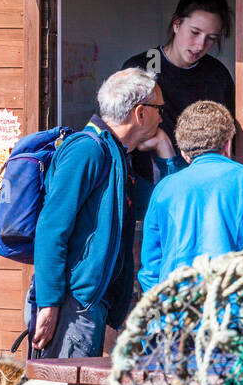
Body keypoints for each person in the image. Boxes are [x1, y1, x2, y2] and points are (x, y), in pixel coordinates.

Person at [31, 67, 180, 358]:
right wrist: (49, 304)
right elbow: (51, 228)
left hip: (85, 304)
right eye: (159, 109)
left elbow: (165, 200)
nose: (162, 117)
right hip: (71, 305)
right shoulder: (88, 150)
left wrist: (165, 151)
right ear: (140, 113)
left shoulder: (115, 156)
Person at [138, 100, 243, 293]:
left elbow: (151, 268)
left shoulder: (163, 189)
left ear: (184, 154)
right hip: (235, 307)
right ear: (227, 145)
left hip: (178, 309)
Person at [123, 0, 235, 176]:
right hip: (148, 181)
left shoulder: (217, 74)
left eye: (211, 39)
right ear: (176, 24)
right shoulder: (146, 65)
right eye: (195, 32)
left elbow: (230, 138)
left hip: (203, 180)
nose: (200, 45)